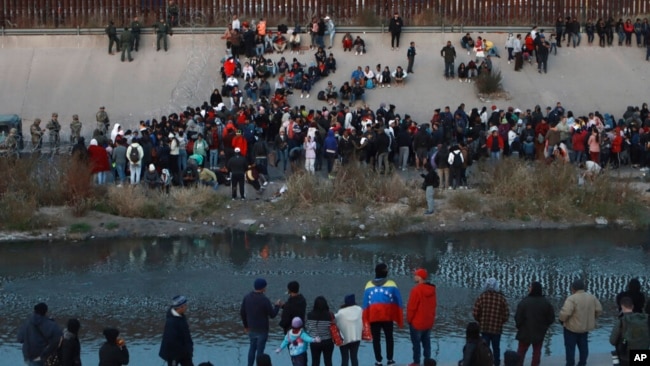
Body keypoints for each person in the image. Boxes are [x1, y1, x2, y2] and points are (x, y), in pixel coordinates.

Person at [363, 263, 404, 366]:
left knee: (376, 339)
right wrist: (398, 315)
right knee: (389, 337)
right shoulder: (391, 284)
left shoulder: (368, 285)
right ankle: (390, 360)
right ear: (385, 272)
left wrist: (365, 318)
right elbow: (398, 300)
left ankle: (378, 361)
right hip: (387, 315)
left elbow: (365, 302)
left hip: (373, 316)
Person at [558, 279, 603, 366]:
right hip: (585, 328)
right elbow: (599, 310)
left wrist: (561, 320)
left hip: (571, 328)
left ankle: (570, 364)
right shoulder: (592, 297)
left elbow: (566, 313)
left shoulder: (572, 298)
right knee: (584, 347)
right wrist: (592, 317)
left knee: (570, 348)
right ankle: (582, 363)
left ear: (573, 288)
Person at [241, 278, 282, 366]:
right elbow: (272, 315)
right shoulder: (264, 299)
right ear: (263, 288)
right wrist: (277, 306)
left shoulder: (247, 297)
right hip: (262, 330)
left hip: (251, 328)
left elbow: (242, 313)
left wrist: (246, 326)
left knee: (252, 348)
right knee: (260, 351)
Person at [514, 282, 555, 366]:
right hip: (539, 332)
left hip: (524, 332)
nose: (528, 289)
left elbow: (518, 317)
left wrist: (520, 327)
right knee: (537, 352)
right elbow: (551, 318)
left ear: (533, 289)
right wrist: (544, 326)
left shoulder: (524, 302)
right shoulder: (546, 303)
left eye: (530, 287)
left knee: (521, 352)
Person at [472, 277, 509, 366]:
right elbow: (506, 315)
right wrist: (500, 322)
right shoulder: (502, 299)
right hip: (497, 329)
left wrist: (480, 320)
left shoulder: (482, 297)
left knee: (484, 349)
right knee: (496, 349)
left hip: (484, 328)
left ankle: (485, 363)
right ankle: (496, 364)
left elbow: (475, 313)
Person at [407, 268, 437, 366]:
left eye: (415, 275)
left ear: (420, 278)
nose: (414, 276)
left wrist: (409, 320)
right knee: (427, 344)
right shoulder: (432, 290)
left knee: (416, 345)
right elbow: (434, 306)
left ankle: (416, 362)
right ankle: (427, 362)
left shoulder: (416, 290)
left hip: (417, 322)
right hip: (428, 322)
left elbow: (412, 307)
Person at [609, 297, 650, 366]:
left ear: (622, 306)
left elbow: (612, 341)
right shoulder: (644, 320)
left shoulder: (621, 321)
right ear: (633, 306)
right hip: (642, 354)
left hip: (626, 355)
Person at [159, 295, 194, 366]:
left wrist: (189, 349)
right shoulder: (171, 322)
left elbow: (186, 335)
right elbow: (170, 341)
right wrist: (175, 356)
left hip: (185, 353)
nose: (186, 307)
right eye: (185, 305)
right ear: (180, 307)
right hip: (173, 355)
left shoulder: (181, 316)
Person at [306, 296, 335, 366]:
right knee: (328, 362)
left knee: (315, 362)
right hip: (327, 341)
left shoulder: (309, 315)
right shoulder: (330, 315)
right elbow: (333, 326)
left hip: (314, 341)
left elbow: (308, 328)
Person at [335, 294, 362, 366]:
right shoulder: (359, 310)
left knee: (345, 359)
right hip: (356, 338)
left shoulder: (341, 312)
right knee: (354, 357)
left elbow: (335, 321)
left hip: (344, 339)